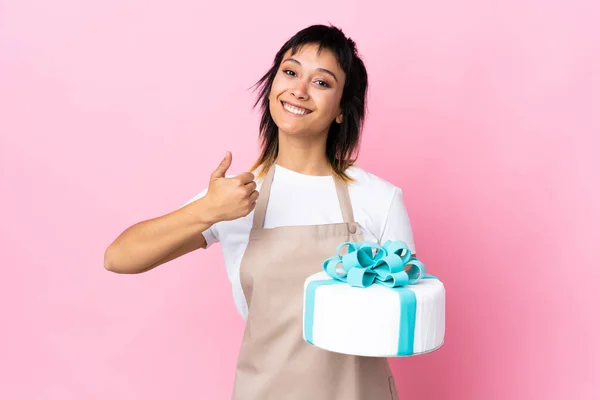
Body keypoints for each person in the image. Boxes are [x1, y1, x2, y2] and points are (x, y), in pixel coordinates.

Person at [104, 24, 416, 400]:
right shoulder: (233, 197)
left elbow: (401, 321)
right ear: (272, 85)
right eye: (290, 72)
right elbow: (118, 258)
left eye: (322, 82)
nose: (299, 89)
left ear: (341, 110)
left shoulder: (378, 199)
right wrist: (207, 210)